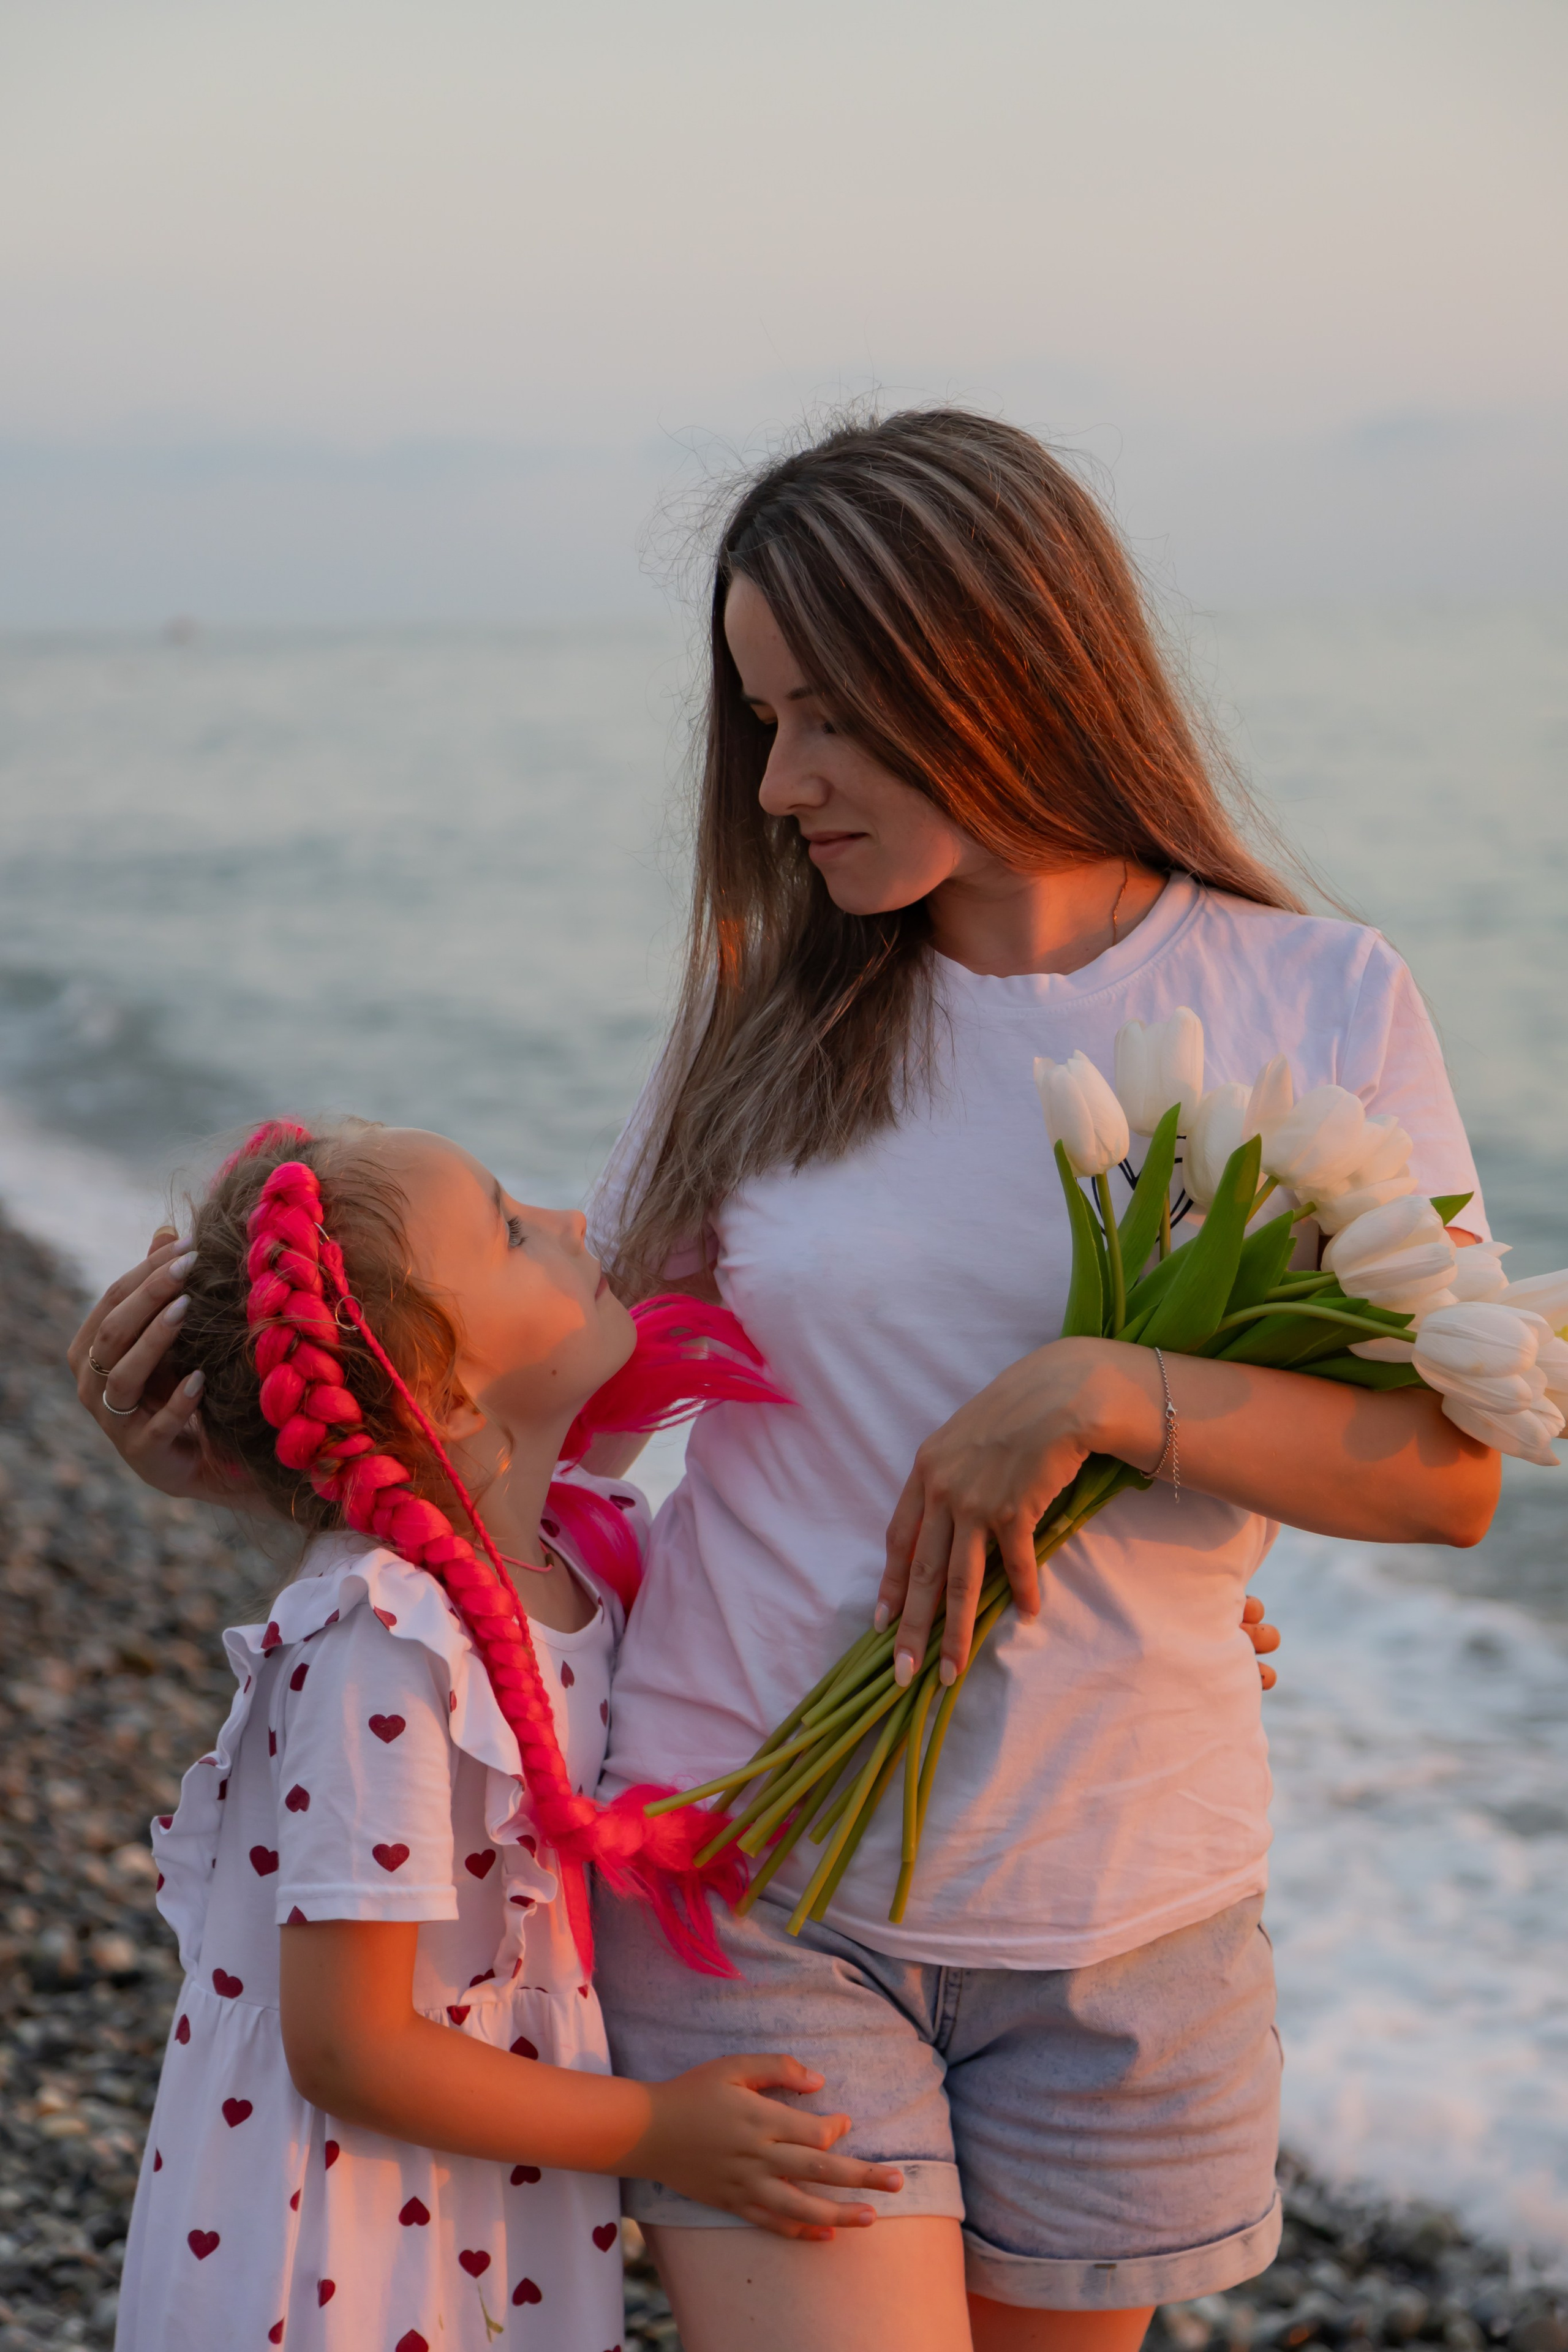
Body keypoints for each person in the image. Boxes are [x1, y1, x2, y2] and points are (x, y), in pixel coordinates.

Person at [567, 412, 1498, 2352]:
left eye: (831, 714)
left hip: (1132, 1916)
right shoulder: (774, 1019)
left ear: (995, 666)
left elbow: (1439, 1474)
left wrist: (1091, 1390)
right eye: (762, 723)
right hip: (754, 1865)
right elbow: (574, 1385)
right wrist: (286, 1378)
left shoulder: (1316, 1000)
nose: (786, 780)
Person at [79, 1117, 901, 2352]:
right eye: (514, 1229)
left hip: (479, 2186)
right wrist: (653, 2130)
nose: (578, 1227)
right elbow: (346, 2046)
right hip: (337, 2239)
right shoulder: (385, 1645)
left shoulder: (577, 1557)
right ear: (450, 1389)